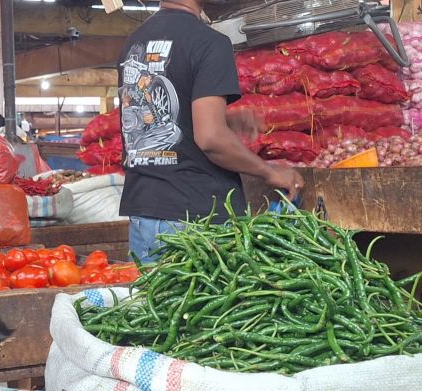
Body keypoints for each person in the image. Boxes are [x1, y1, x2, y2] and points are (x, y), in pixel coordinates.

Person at [118, 0, 305, 263]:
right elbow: (211, 139)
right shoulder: (209, 41)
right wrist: (270, 172)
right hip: (197, 222)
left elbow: (156, 115)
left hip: (145, 216)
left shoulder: (134, 42)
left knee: (153, 303)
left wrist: (225, 120)